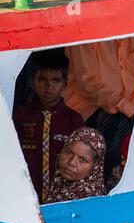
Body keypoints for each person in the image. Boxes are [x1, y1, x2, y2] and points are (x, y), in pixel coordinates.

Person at [13, 50, 85, 203]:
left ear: (65, 83)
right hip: (25, 197)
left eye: (56, 80)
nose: (48, 87)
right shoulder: (19, 117)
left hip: (63, 198)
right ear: (32, 82)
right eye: (42, 79)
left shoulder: (74, 120)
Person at [45, 127, 106, 203]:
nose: (71, 162)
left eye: (83, 160)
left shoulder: (87, 200)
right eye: (69, 152)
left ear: (95, 167)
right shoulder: (59, 181)